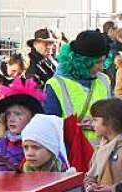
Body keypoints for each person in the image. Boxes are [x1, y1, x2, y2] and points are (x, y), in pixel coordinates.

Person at [44, 29, 112, 169]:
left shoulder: (104, 80)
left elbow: (114, 116)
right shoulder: (56, 84)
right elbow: (50, 128)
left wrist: (98, 123)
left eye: (103, 61)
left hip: (103, 158)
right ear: (83, 62)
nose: (101, 67)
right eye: (97, 62)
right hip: (72, 159)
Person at [0, 79, 46, 169]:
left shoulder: (40, 147)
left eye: (18, 114)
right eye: (8, 114)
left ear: (32, 118)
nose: (11, 119)